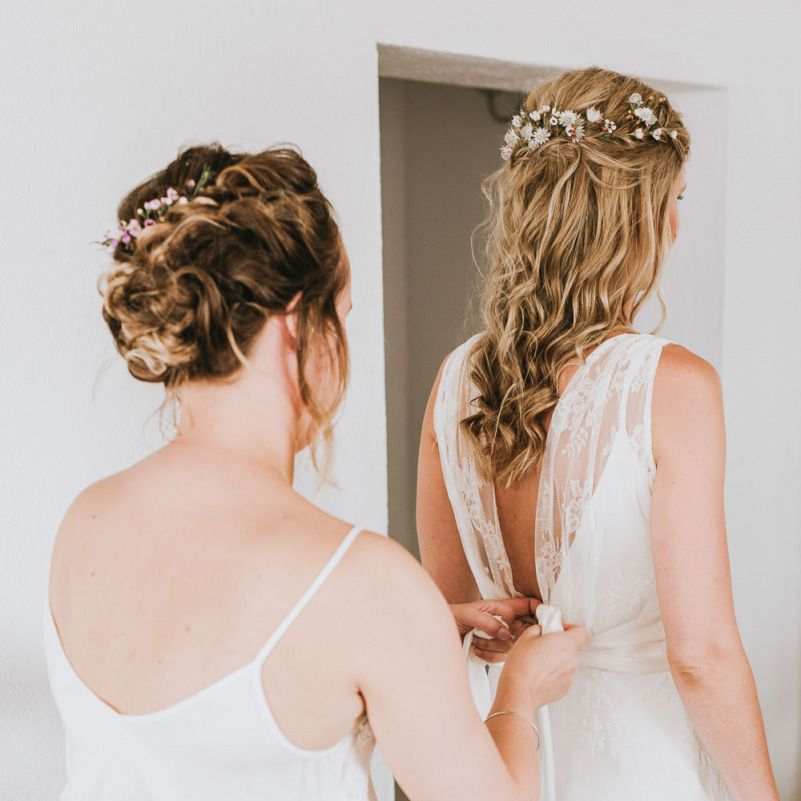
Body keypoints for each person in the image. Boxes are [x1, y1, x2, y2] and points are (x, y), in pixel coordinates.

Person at [45, 143, 587, 801]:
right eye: (345, 315)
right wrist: (518, 695)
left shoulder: (85, 522)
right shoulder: (367, 586)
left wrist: (418, 631)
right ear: (299, 326)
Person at [417, 68, 779, 801]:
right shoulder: (673, 384)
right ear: (634, 219)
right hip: (638, 764)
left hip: (506, 753)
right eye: (673, 201)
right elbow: (700, 654)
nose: (677, 225)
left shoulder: (454, 379)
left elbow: (451, 619)